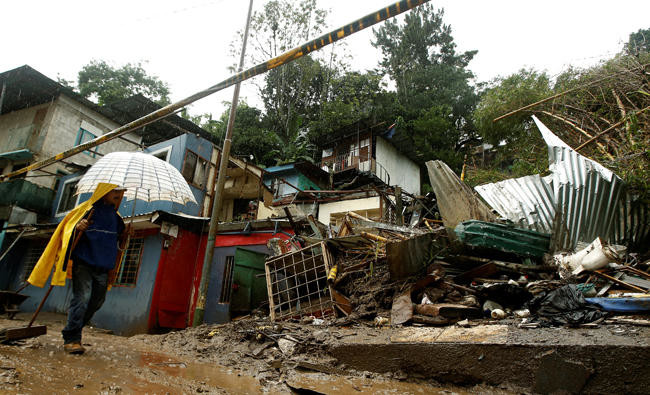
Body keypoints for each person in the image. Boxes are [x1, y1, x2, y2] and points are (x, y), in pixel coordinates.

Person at [60, 187, 127, 354]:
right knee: (82, 298)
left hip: (103, 266)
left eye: (121, 192)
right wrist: (78, 226)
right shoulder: (88, 210)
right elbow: (68, 229)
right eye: (115, 191)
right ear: (104, 191)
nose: (119, 195)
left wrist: (127, 233)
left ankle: (72, 329)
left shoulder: (117, 219)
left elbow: (120, 239)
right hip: (83, 263)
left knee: (97, 301)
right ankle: (72, 339)